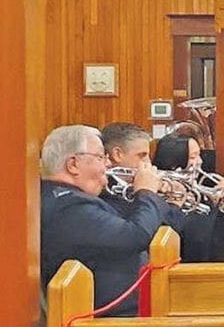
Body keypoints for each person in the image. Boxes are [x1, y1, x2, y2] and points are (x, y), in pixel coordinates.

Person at [40, 125, 169, 317]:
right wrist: (147, 192)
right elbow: (136, 235)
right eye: (100, 157)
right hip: (107, 318)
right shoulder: (70, 207)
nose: (107, 164)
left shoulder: (66, 199)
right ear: (73, 164)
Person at [152, 133, 224, 262]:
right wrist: (215, 198)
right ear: (174, 163)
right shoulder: (161, 192)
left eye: (199, 155)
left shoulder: (197, 190)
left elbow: (219, 239)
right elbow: (193, 239)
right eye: (193, 157)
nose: (200, 161)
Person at [100, 122, 184, 229]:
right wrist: (149, 194)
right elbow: (149, 231)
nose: (148, 162)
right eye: (142, 155)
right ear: (117, 154)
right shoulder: (106, 193)